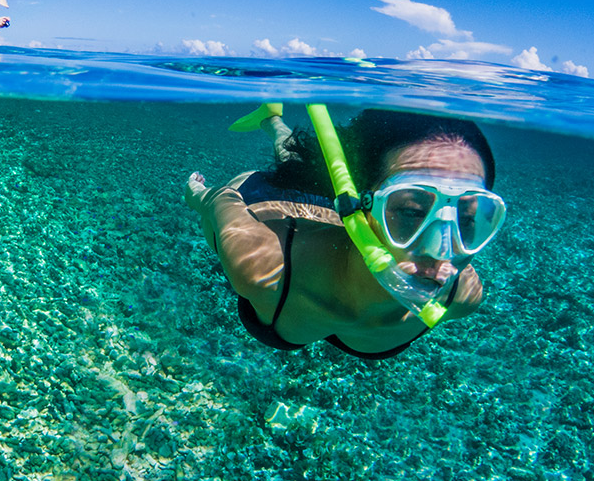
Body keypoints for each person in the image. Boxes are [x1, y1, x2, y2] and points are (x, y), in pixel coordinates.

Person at [184, 105, 506, 360]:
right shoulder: (262, 266)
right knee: (295, 163)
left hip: (348, 217)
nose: (440, 252)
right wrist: (195, 193)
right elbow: (217, 201)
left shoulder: (461, 297)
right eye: (411, 212)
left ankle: (273, 118)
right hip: (272, 206)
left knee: (302, 159)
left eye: (467, 220)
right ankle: (272, 120)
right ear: (362, 206)